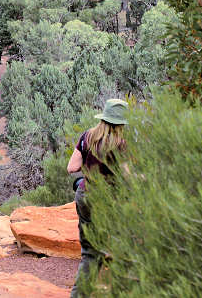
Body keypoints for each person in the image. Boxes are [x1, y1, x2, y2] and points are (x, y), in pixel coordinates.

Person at [68, 99, 129, 298]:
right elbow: (128, 176)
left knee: (90, 251)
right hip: (106, 201)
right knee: (108, 250)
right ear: (120, 123)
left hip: (84, 196)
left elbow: (72, 168)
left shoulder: (87, 137)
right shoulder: (120, 145)